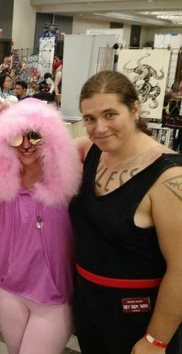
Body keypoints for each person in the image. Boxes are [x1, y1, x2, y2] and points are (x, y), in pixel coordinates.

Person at [70, 70, 182, 354]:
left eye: (110, 114)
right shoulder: (90, 152)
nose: (100, 127)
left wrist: (156, 341)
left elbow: (180, 270)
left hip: (138, 314)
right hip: (89, 303)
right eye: (89, 119)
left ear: (134, 109)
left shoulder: (169, 177)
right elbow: (33, 150)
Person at [0, 98, 82, 354]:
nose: (25, 145)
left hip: (53, 296)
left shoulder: (67, 174)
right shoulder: (5, 176)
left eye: (35, 136)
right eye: (16, 137)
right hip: (7, 288)